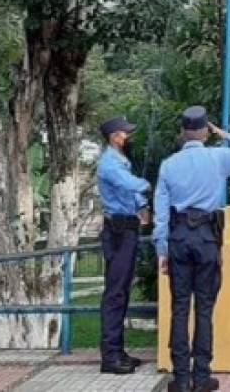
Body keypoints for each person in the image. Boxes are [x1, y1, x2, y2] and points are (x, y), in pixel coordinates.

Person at [153, 106, 230, 392]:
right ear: (204, 132)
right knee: (204, 308)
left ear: (183, 132)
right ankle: (202, 377)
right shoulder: (218, 157)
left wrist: (161, 249)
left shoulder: (168, 165)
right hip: (206, 239)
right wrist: (226, 134)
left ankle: (180, 378)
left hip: (177, 238)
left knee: (179, 308)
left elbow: (160, 213)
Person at [95, 116, 151, 375]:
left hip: (126, 227)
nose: (129, 138)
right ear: (114, 137)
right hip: (118, 230)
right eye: (125, 134)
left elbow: (132, 193)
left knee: (122, 291)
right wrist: (151, 185)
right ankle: (110, 356)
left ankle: (118, 351)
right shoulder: (110, 164)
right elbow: (131, 185)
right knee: (115, 293)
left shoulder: (120, 162)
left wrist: (141, 205)